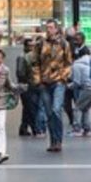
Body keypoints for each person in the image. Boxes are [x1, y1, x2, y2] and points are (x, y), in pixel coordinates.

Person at [37, 21, 73, 152]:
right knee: (49, 113)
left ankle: (58, 140)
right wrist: (38, 80)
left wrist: (63, 77)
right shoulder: (41, 43)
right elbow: (36, 62)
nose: (49, 30)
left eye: (51, 27)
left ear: (56, 29)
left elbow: (69, 62)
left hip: (58, 81)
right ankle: (53, 140)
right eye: (47, 28)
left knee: (56, 109)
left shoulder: (64, 44)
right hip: (45, 82)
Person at [70, 45, 91, 136]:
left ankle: (77, 129)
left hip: (87, 88)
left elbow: (77, 82)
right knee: (85, 108)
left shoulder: (77, 65)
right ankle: (87, 128)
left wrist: (67, 86)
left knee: (77, 108)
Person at [16, 36, 41, 136]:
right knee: (31, 107)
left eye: (33, 46)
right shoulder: (23, 57)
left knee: (27, 108)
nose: (32, 48)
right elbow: (20, 72)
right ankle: (35, 128)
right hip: (27, 85)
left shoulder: (29, 56)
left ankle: (24, 127)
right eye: (30, 46)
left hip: (28, 84)